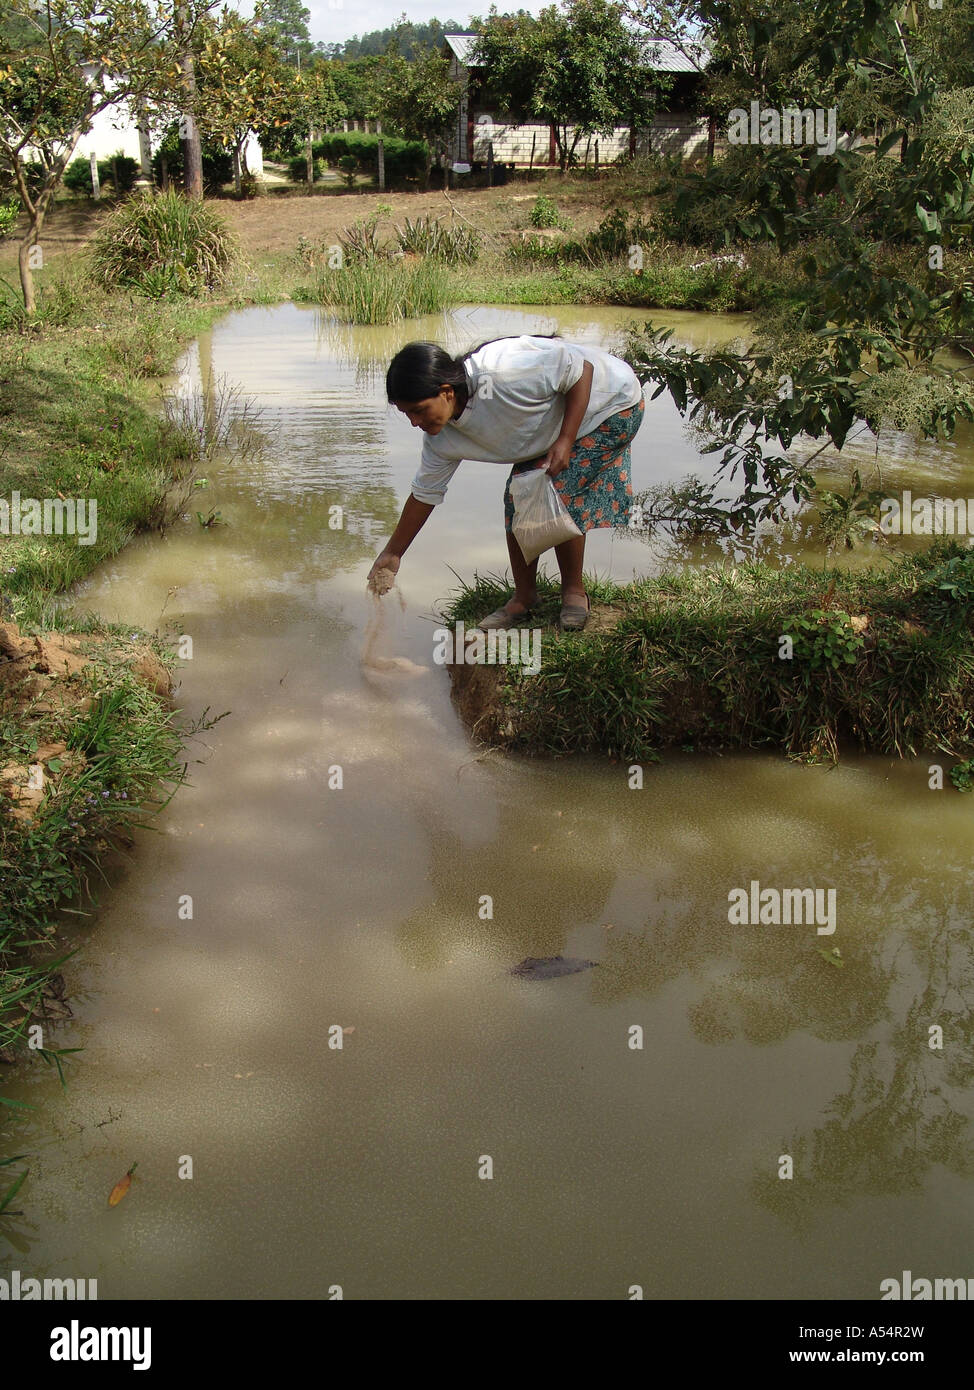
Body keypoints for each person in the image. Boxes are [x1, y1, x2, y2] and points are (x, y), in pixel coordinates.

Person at [368, 334, 644, 630]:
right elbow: (425, 494)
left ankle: (574, 593)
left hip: (609, 405)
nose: (414, 422)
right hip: (549, 426)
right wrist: (393, 553)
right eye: (406, 413)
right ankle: (525, 598)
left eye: (419, 410)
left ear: (447, 392)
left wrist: (565, 440)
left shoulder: (501, 375)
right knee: (519, 496)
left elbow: (581, 371)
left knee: (560, 490)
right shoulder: (441, 440)